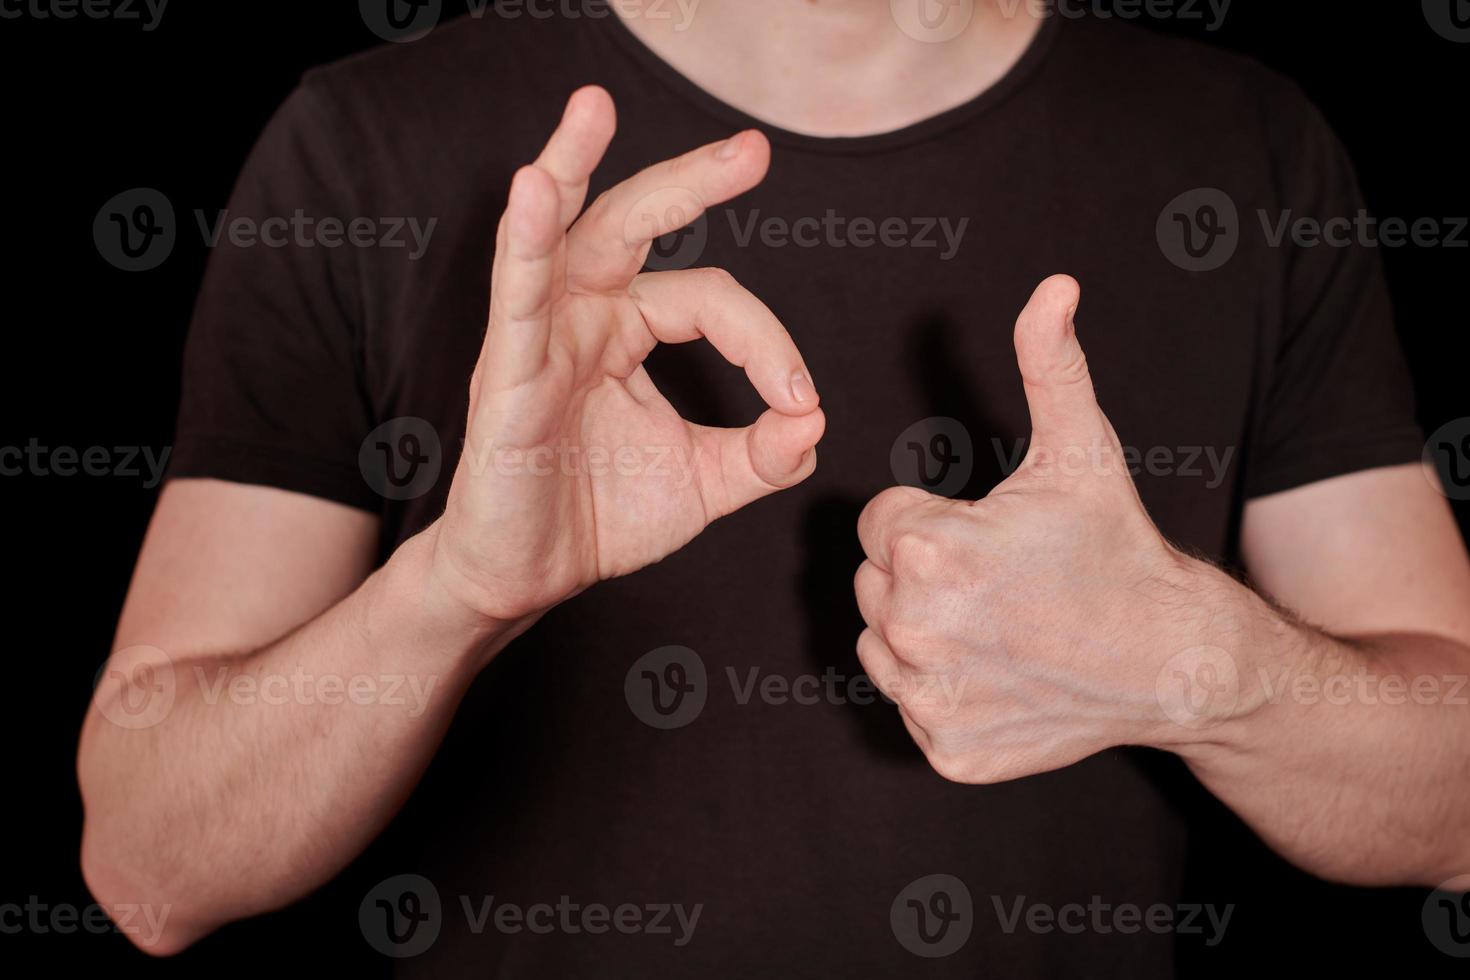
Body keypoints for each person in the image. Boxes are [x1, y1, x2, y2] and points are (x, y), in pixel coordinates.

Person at [77, 2, 1470, 974]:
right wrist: (454, 591)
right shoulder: (362, 145)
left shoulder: (1244, 148)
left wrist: (1199, 667)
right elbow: (148, 870)